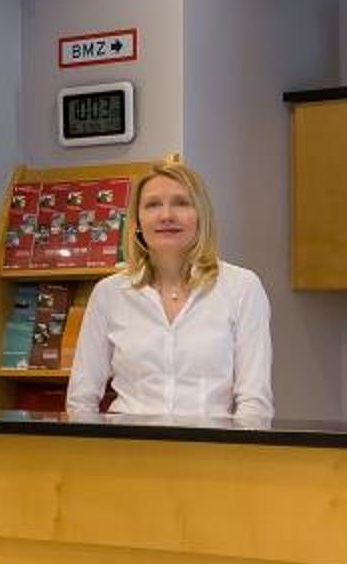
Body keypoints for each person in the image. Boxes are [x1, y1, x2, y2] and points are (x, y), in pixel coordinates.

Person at [62, 155, 274, 424]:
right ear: (137, 221)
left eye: (181, 203)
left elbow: (255, 404)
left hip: (211, 447)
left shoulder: (242, 288)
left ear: (201, 216)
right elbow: (81, 400)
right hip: (127, 447)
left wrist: (235, 452)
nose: (166, 216)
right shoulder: (109, 293)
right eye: (152, 205)